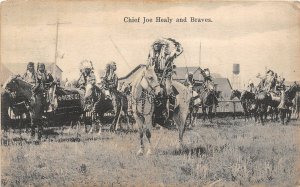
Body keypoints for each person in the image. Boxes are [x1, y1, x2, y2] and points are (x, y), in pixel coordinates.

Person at [147, 38, 183, 126]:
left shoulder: (166, 56)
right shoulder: (151, 57)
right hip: (154, 78)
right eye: (155, 45)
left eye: (158, 45)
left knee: (168, 91)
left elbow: (175, 53)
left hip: (165, 77)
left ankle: (170, 117)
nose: (156, 46)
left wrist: (177, 47)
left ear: (161, 46)